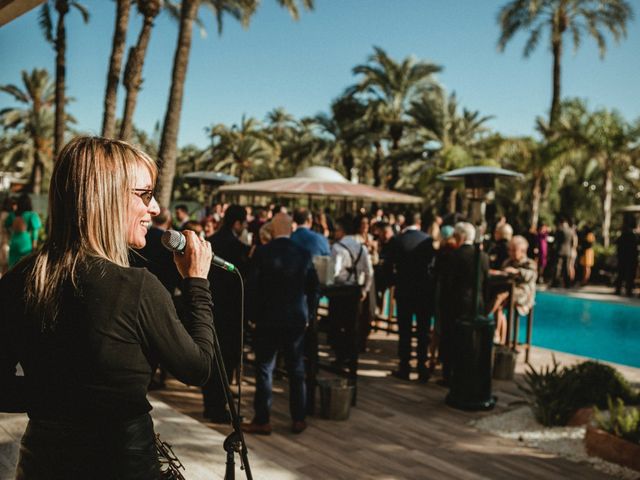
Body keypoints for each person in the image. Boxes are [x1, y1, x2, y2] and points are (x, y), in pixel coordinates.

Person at [0, 136, 214, 479]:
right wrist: (197, 283)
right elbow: (198, 368)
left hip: (41, 464)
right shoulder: (138, 288)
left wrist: (56, 397)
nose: (156, 208)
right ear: (107, 197)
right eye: (144, 195)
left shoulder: (20, 278)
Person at [243, 213, 319, 435]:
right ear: (291, 230)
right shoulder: (303, 253)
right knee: (296, 369)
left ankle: (263, 419)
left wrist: (251, 317)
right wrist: (309, 314)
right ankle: (299, 418)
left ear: (274, 229)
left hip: (268, 319)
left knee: (265, 368)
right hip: (295, 319)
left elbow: (252, 287)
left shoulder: (262, 252)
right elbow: (314, 287)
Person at [201, 204, 251, 423]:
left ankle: (209, 404)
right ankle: (218, 407)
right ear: (237, 223)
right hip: (230, 313)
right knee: (227, 360)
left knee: (212, 358)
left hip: (211, 307)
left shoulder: (211, 242)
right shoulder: (238, 248)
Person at [387, 211, 435, 382]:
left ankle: (405, 367)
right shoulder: (428, 240)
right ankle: (422, 367)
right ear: (419, 222)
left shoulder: (397, 240)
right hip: (424, 291)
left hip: (405, 290)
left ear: (403, 223)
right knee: (423, 331)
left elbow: (388, 265)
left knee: (405, 331)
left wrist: (393, 281)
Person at [330, 216, 374, 360]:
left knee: (337, 324)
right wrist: (365, 290)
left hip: (339, 290)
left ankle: (340, 356)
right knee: (352, 325)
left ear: (341, 231)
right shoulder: (361, 248)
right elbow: (369, 272)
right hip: (356, 289)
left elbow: (334, 273)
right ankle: (351, 356)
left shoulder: (337, 247)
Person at [489, 236, 537, 344]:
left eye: (514, 250)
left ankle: (487, 317)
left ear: (523, 251)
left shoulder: (529, 263)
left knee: (500, 296)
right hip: (508, 293)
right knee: (499, 303)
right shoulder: (508, 261)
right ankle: (501, 339)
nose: (510, 252)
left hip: (523, 294)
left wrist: (516, 271)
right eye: (510, 250)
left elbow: (531, 275)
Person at [4, 193, 42, 269]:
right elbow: (35, 232)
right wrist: (34, 246)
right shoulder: (32, 215)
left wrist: (10, 234)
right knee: (24, 268)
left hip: (14, 242)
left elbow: (6, 225)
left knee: (12, 267)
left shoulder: (13, 215)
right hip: (26, 244)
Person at [615, 217, 639, 296]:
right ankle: (627, 290)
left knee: (622, 274)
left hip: (624, 258)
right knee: (628, 275)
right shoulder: (632, 235)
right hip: (629, 258)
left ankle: (621, 290)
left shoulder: (624, 235)